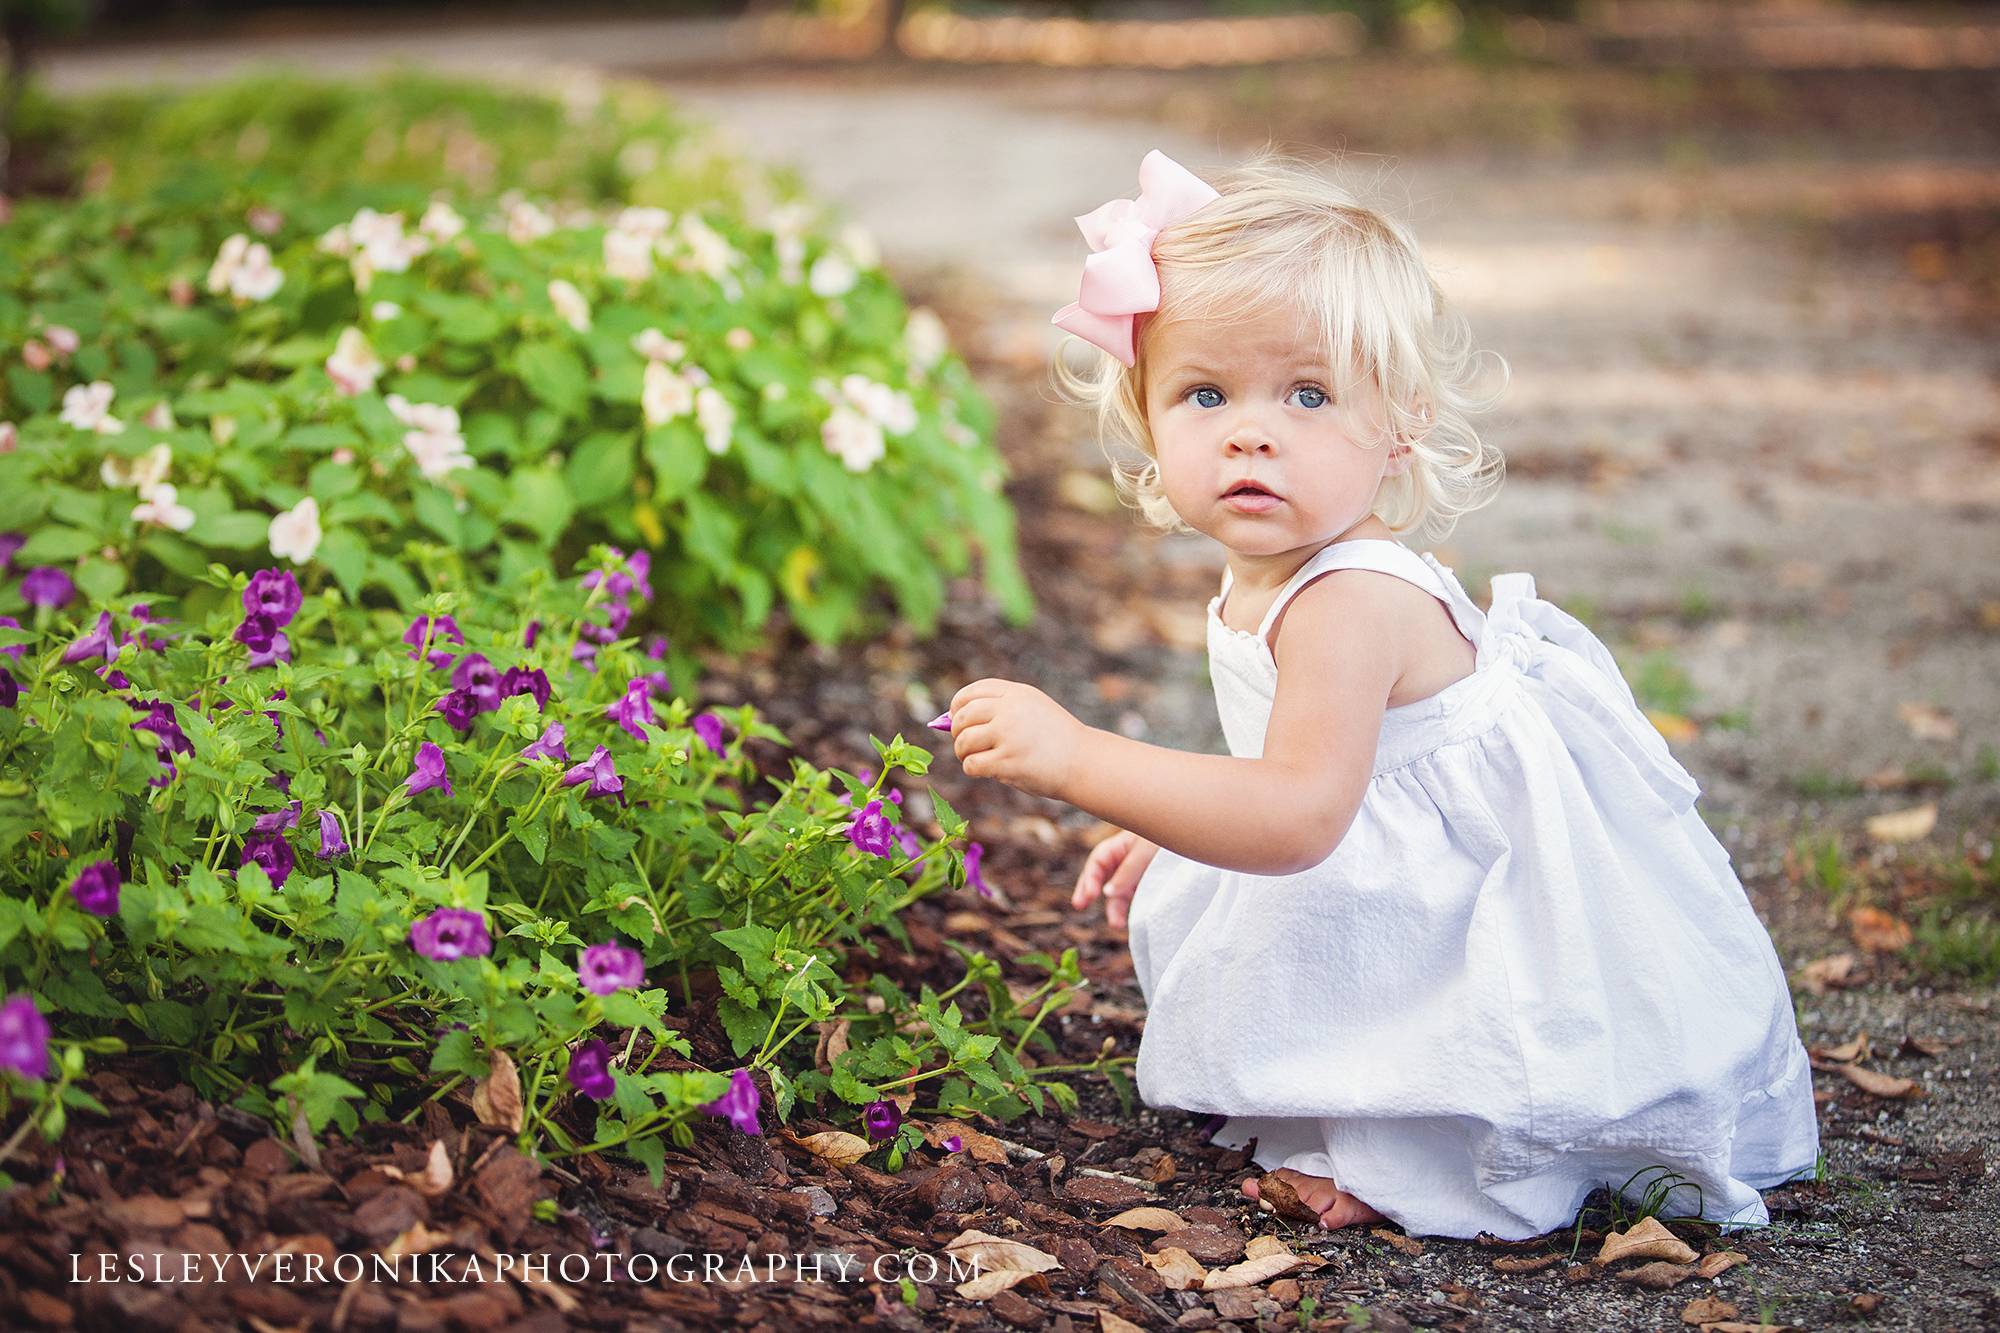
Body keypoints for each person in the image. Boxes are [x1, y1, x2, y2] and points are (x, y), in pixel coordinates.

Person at [941, 148, 1820, 1240]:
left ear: (1396, 423)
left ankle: (1420, 1159)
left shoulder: (1348, 597)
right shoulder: (1271, 559)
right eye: (1202, 392)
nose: (1249, 429)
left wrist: (1082, 760)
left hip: (1481, 894)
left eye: (1307, 394)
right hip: (1385, 842)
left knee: (1486, 1051)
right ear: (1145, 415)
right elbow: (1308, 769)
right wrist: (1180, 832)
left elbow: (1299, 816)